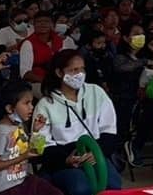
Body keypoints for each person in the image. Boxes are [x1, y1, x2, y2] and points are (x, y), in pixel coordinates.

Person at [32, 51, 122, 195]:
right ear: (59, 73)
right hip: (64, 161)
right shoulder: (45, 104)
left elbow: (110, 130)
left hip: (95, 153)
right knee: (81, 188)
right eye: (74, 70)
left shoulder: (96, 92)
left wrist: (98, 151)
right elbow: (40, 145)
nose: (80, 74)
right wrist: (66, 159)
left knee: (113, 184)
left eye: (82, 69)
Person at [0, 82, 62, 195]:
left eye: (31, 103)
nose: (31, 107)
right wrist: (23, 157)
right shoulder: (0, 132)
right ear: (10, 108)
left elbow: (36, 152)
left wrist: (36, 131)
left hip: (22, 180)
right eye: (26, 103)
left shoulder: (19, 126)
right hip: (6, 188)